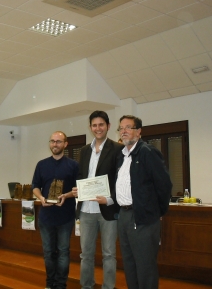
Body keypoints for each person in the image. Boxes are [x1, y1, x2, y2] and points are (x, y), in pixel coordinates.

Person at [115, 115, 172, 289]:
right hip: (123, 216)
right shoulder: (122, 156)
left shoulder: (147, 152)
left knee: (145, 266)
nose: (124, 131)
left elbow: (164, 185)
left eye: (128, 127)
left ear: (138, 132)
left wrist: (156, 213)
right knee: (130, 264)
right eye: (121, 128)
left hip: (143, 218)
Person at [72, 110, 121, 289]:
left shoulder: (117, 149)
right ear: (90, 127)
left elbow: (119, 180)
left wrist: (109, 200)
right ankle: (87, 286)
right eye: (94, 125)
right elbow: (80, 175)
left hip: (107, 210)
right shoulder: (84, 150)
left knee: (109, 254)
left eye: (101, 125)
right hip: (86, 210)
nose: (98, 128)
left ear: (108, 126)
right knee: (86, 254)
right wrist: (78, 190)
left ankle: (108, 287)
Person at [32, 131, 79, 289]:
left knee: (63, 252)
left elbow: (78, 190)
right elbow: (35, 187)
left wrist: (66, 195)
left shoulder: (73, 165)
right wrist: (41, 198)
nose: (55, 144)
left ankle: (60, 285)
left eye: (59, 142)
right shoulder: (41, 164)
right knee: (48, 253)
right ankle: (49, 284)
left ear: (65, 144)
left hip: (65, 217)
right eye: (52, 141)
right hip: (46, 217)